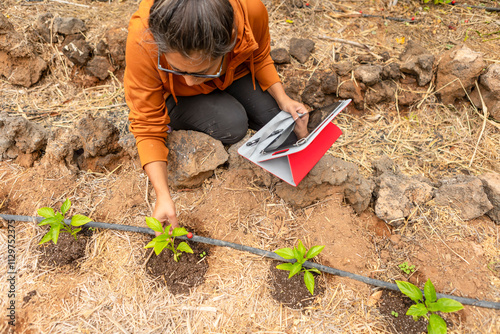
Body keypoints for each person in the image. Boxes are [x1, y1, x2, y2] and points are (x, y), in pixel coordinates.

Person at [124, 0, 309, 234]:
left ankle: (206, 75)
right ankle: (179, 99)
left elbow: (260, 56)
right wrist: (163, 195)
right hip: (174, 93)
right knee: (232, 124)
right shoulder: (144, 37)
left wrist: (283, 99)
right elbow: (146, 121)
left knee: (278, 121)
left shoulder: (251, 11)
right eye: (178, 69)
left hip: (233, 72)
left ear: (229, 41)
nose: (189, 81)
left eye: (199, 71)